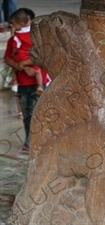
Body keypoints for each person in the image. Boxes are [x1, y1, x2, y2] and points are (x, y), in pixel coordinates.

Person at [4, 8, 49, 153]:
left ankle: (40, 141)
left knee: (39, 113)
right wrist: (21, 66)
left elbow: (44, 56)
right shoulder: (13, 39)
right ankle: (29, 141)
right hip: (23, 84)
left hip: (39, 83)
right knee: (27, 115)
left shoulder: (38, 37)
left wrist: (24, 64)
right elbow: (7, 58)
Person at [8, 8, 44, 95]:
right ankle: (40, 86)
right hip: (30, 56)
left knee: (14, 68)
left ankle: (14, 80)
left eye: (13, 24)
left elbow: (15, 47)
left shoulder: (17, 36)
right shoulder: (35, 33)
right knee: (38, 71)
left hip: (21, 56)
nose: (11, 25)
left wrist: (13, 54)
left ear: (21, 24)